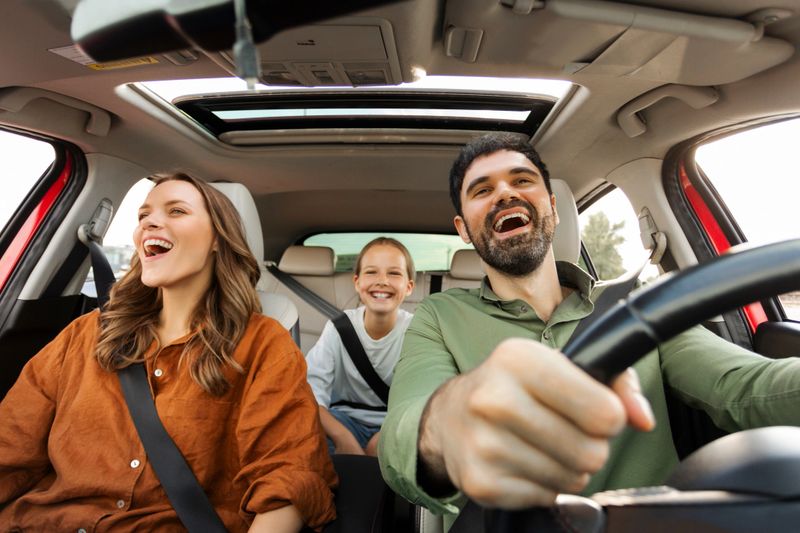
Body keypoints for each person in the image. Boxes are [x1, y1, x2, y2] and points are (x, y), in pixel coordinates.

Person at [378, 133, 800, 528]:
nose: (505, 193)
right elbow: (402, 439)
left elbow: (745, 387)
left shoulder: (640, 303)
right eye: (482, 190)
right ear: (463, 229)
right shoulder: (438, 316)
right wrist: (456, 418)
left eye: (522, 180)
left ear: (553, 208)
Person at [0, 174, 337, 532]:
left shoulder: (263, 344)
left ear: (218, 239)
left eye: (176, 211)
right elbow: (10, 446)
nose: (149, 222)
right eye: (143, 215)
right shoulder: (85, 334)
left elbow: (288, 475)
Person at [307, 237, 415, 456]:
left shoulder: (418, 332)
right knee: (305, 430)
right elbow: (309, 393)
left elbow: (426, 400)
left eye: (394, 273)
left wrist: (387, 436)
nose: (382, 281)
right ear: (357, 282)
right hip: (343, 422)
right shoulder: (339, 329)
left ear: (409, 286)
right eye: (371, 272)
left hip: (399, 426)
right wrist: (342, 437)